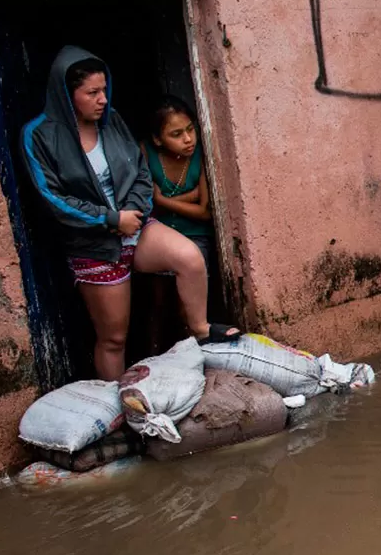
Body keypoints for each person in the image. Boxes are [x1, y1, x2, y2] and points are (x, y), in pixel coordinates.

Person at [23, 45, 239, 381]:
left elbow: (139, 170)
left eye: (104, 90)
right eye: (92, 93)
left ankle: (199, 328)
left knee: (190, 257)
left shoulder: (113, 122)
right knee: (114, 338)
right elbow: (53, 198)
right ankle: (114, 406)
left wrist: (135, 210)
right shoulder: (39, 135)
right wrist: (111, 220)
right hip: (93, 244)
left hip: (134, 227)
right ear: (67, 94)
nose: (102, 100)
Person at [143, 95, 216, 273]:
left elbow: (205, 212)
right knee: (159, 294)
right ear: (157, 139)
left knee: (194, 275)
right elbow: (145, 207)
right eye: (176, 134)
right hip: (159, 234)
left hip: (196, 235)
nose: (188, 139)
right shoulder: (145, 153)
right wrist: (190, 197)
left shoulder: (202, 153)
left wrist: (162, 200)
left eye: (190, 129)